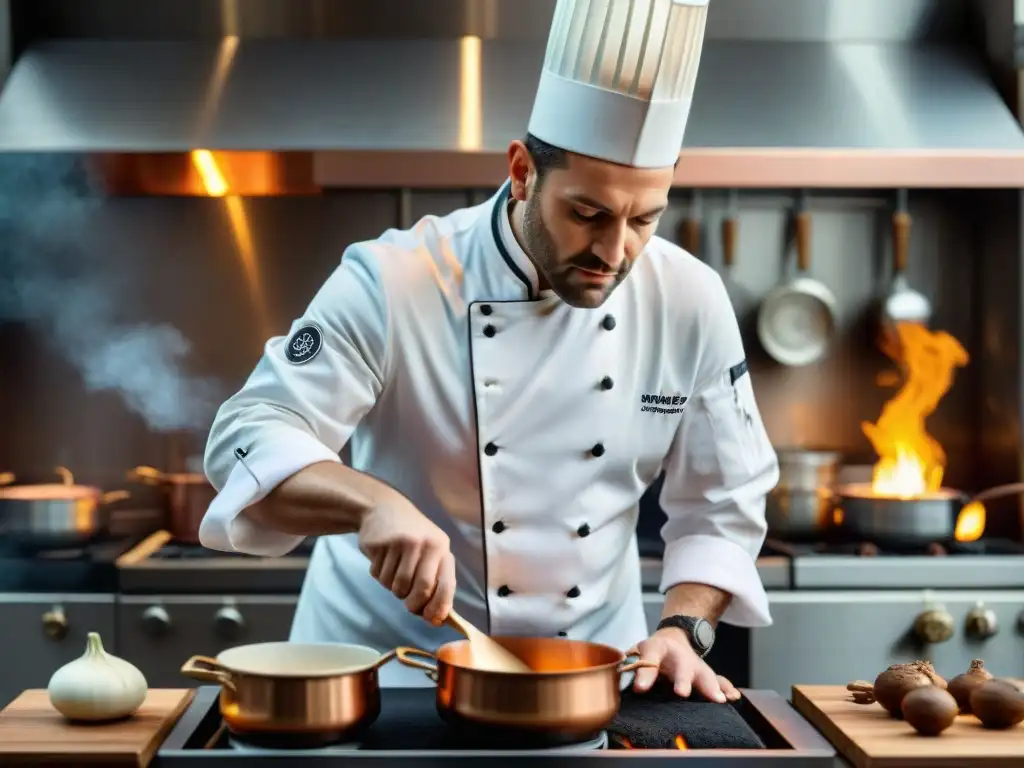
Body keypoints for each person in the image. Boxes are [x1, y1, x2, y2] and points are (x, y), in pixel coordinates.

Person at [200, 0, 779, 699]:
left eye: (644, 219)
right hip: (383, 678)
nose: (613, 250)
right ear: (522, 172)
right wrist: (369, 504)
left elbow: (725, 500)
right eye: (587, 214)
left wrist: (685, 630)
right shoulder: (394, 280)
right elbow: (248, 432)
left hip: (589, 679)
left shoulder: (689, 298)